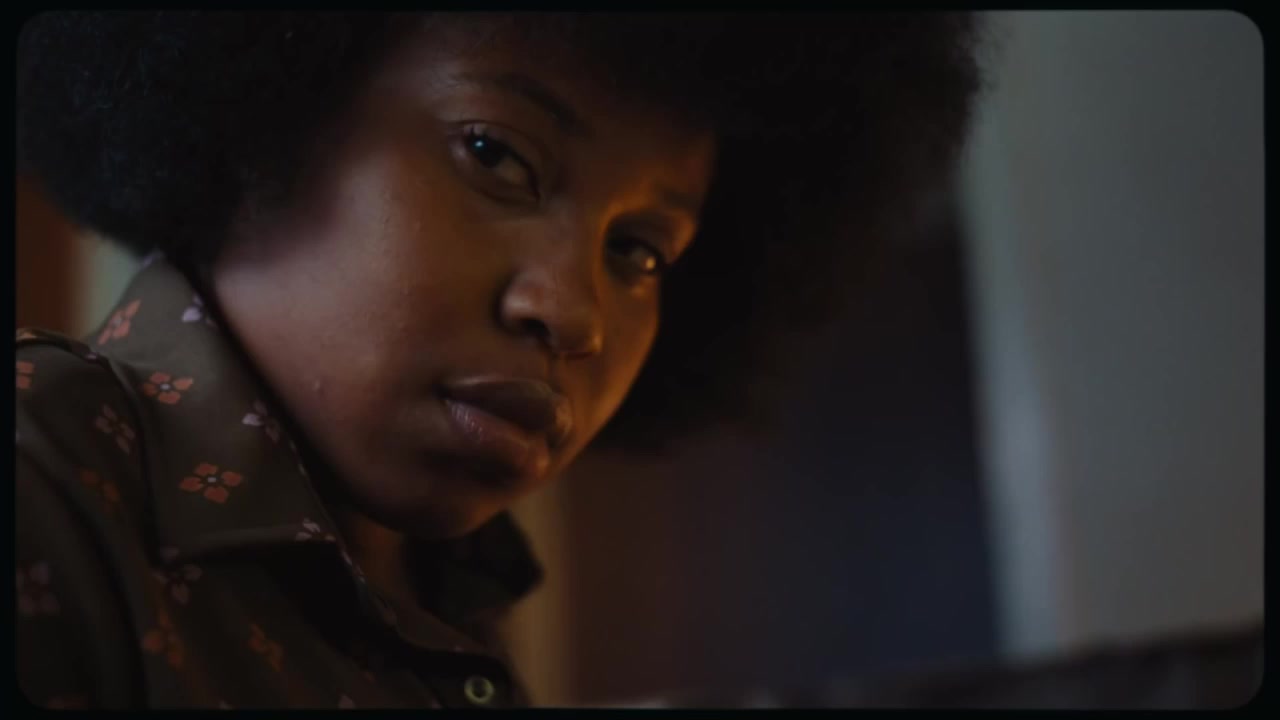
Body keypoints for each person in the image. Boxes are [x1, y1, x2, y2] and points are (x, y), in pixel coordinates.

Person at [15, 12, 984, 708]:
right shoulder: (37, 474)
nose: (574, 313)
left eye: (638, 251)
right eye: (496, 155)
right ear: (256, 116)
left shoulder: (450, 600)